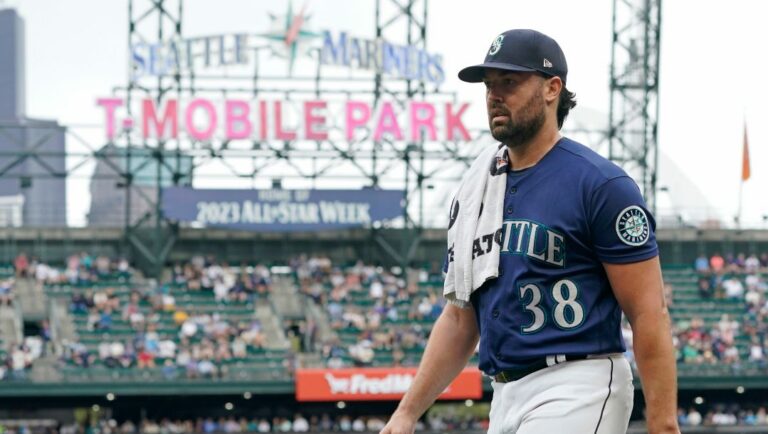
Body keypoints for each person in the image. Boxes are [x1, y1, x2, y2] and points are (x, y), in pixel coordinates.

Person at [380, 29, 679, 434]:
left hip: (579, 383)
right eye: (489, 85)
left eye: (510, 82)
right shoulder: (475, 194)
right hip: (504, 394)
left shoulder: (600, 184)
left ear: (553, 88)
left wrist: (663, 425)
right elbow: (459, 319)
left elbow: (648, 313)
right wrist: (406, 413)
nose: (494, 95)